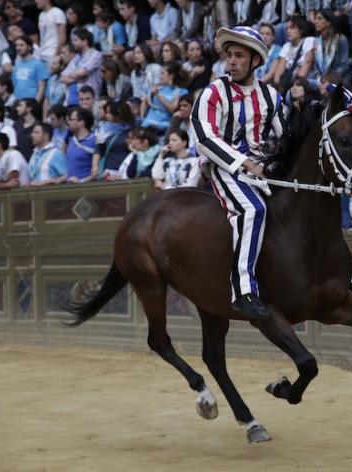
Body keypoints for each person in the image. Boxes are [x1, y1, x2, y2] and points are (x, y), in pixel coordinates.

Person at [191, 26, 285, 318]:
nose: (231, 61)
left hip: (263, 169)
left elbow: (285, 137)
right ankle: (243, 291)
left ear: (255, 61)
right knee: (252, 210)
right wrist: (244, 163)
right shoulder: (214, 92)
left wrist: (271, 164)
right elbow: (204, 137)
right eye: (229, 55)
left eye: (239, 56)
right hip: (224, 168)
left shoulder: (271, 96)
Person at [92, 100, 135, 179]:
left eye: (109, 112)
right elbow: (98, 149)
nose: (106, 115)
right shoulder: (104, 130)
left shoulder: (132, 130)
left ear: (118, 114)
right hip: (109, 172)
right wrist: (95, 166)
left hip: (125, 172)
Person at [274, 16, 315, 93]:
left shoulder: (308, 41)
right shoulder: (286, 46)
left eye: (292, 28)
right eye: (287, 29)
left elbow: (308, 62)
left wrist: (296, 85)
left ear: (301, 30)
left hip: (304, 80)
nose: (288, 31)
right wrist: (276, 86)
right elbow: (280, 67)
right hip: (288, 81)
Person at [311, 10, 351, 89]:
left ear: (328, 22)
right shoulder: (316, 41)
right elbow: (315, 66)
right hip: (321, 79)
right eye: (315, 19)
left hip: (337, 78)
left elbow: (344, 65)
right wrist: (319, 78)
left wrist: (329, 78)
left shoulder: (340, 39)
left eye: (319, 19)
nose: (315, 21)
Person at [141, 62, 186, 131]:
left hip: (162, 127)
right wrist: (142, 119)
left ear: (171, 75)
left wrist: (158, 95)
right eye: (159, 73)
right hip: (146, 124)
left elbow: (172, 109)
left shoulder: (181, 92)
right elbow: (145, 102)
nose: (159, 76)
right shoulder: (156, 87)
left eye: (162, 73)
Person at [61, 28, 103, 102]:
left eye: (76, 40)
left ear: (85, 41)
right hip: (71, 98)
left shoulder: (96, 54)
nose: (73, 43)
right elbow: (63, 78)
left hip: (88, 99)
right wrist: (79, 78)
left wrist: (73, 76)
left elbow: (81, 73)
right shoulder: (76, 57)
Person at [12, 36, 50, 102]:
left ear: (29, 47)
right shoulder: (16, 66)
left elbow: (42, 88)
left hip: (31, 102)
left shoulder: (38, 64)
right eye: (16, 45)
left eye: (21, 45)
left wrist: (35, 104)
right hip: (18, 103)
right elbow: (15, 85)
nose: (18, 48)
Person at [64, 107, 97, 182]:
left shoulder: (94, 140)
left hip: (87, 188)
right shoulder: (71, 140)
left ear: (81, 122)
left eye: (71, 120)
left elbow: (99, 169)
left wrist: (81, 181)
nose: (68, 123)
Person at [36, 0, 67, 65]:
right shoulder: (41, 15)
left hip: (53, 53)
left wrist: (56, 54)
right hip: (42, 53)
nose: (36, 1)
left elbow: (62, 37)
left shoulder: (57, 12)